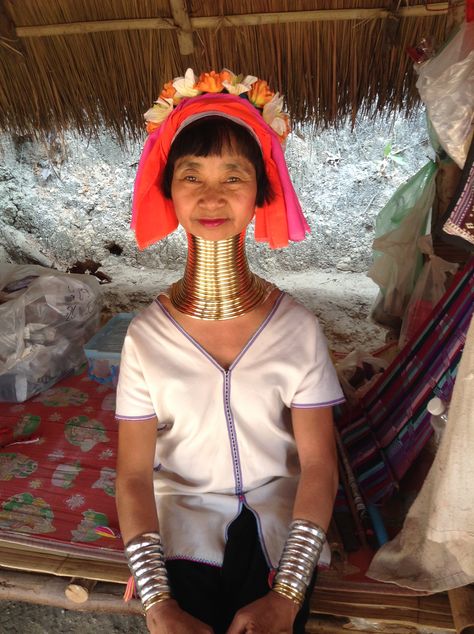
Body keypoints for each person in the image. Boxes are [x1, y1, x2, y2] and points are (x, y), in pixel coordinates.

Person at [115, 68, 345, 634]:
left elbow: (318, 465)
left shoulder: (297, 330)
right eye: (191, 175)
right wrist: (156, 602)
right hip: (182, 519)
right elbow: (133, 475)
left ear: (262, 192)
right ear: (169, 191)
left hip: (279, 522)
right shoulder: (146, 337)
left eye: (234, 176)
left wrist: (289, 594)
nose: (212, 196)